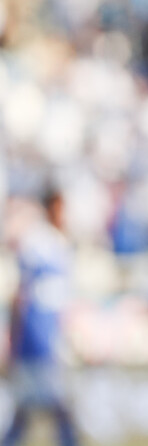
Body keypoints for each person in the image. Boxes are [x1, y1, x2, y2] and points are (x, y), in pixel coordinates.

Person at [2, 189, 79, 446]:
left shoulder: (59, 243)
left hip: (51, 341)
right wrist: (15, 339)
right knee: (50, 409)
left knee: (46, 410)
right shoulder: (38, 243)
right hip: (36, 343)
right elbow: (21, 296)